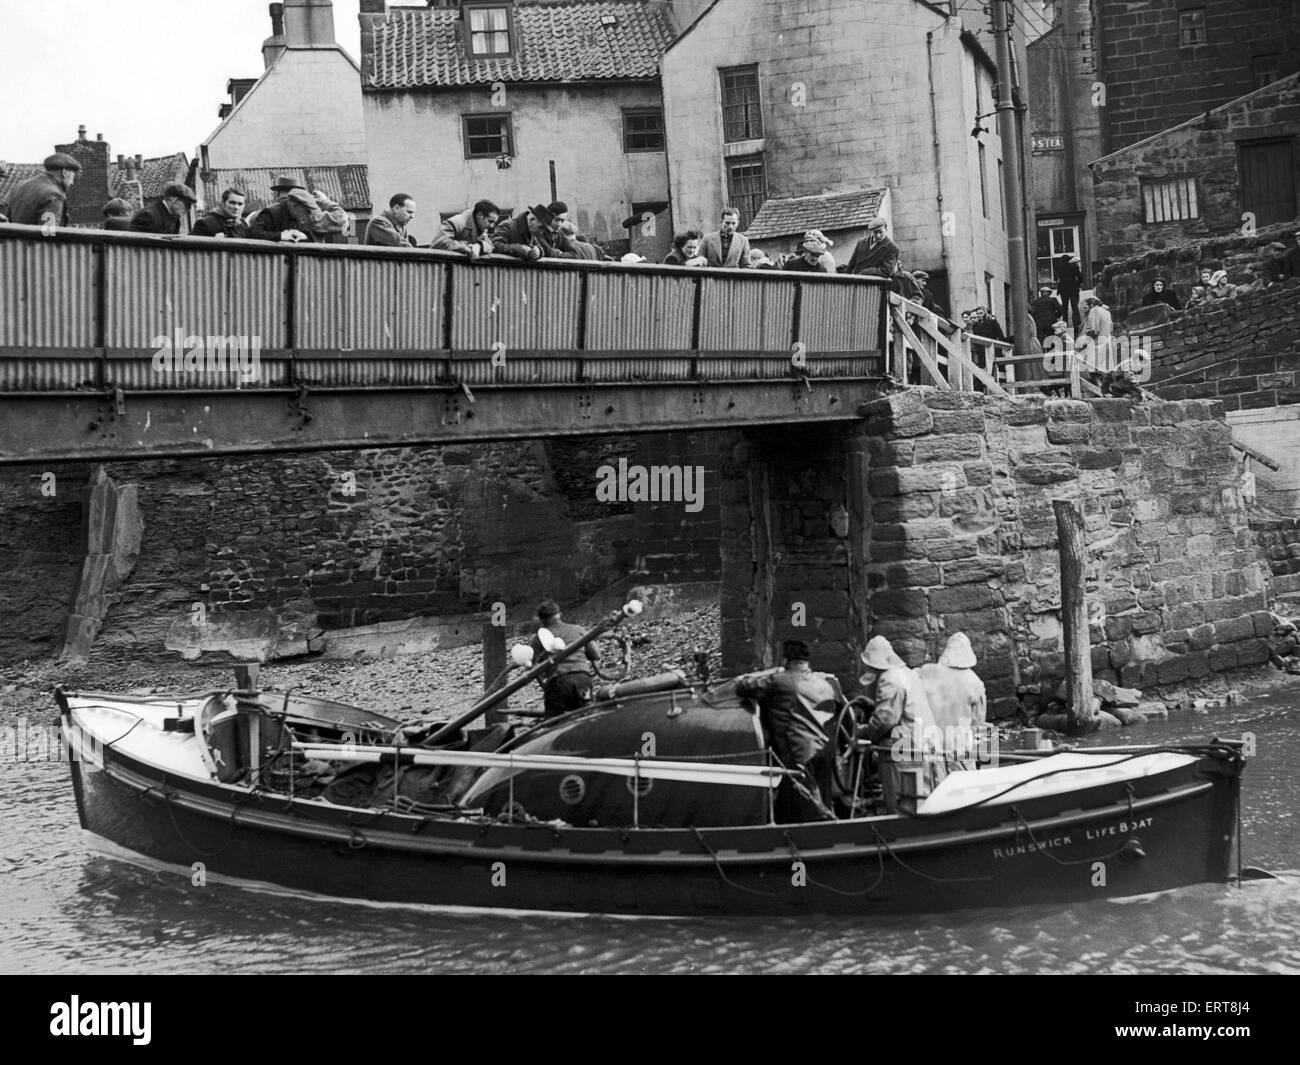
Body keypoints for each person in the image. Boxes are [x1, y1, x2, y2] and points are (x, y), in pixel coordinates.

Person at [735, 639, 842, 821]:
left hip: (796, 752)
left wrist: (744, 678)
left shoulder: (780, 681)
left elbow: (745, 687)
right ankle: (824, 831)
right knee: (822, 798)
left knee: (797, 805)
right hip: (825, 750)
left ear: (785, 660)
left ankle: (799, 839)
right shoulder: (826, 684)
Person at [857, 635, 944, 814]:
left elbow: (885, 719)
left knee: (900, 801)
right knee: (921, 796)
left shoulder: (888, 678)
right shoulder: (909, 674)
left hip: (901, 748)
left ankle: (899, 830)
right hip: (922, 741)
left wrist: (862, 733)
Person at [917, 634, 986, 773]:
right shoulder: (974, 682)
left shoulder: (927, 671)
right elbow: (978, 722)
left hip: (930, 743)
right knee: (961, 787)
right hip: (959, 745)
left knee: (935, 786)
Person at [526, 601, 600, 719]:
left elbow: (531, 666)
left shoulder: (539, 638)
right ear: (559, 614)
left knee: (554, 725)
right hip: (583, 680)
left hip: (558, 683)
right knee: (587, 720)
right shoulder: (577, 629)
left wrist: (545, 687)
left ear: (541, 620)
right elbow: (595, 654)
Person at [5, 153, 81, 227]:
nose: (72, 182)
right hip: (34, 240)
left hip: (15, 239)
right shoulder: (54, 195)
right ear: (65, 172)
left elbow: (8, 223)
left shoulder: (19, 187)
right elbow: (48, 235)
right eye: (72, 177)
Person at [492, 201, 578, 261]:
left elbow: (540, 249)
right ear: (532, 219)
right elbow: (494, 245)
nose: (542, 232)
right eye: (541, 227)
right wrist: (520, 249)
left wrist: (538, 251)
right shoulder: (508, 226)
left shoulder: (532, 231)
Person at [433, 199, 499, 258]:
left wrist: (479, 246)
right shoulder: (457, 223)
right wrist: (467, 247)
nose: (492, 226)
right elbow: (438, 243)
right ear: (480, 215)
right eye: (490, 221)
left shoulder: (480, 226)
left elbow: (491, 246)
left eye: (494, 223)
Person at [129, 182, 196, 234]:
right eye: (187, 204)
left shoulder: (175, 219)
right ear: (173, 199)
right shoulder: (147, 216)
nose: (189, 209)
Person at [1079, 295, 1115, 373]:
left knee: (1093, 369)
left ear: (1091, 304)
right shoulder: (1107, 312)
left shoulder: (1094, 311)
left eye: (1087, 305)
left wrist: (1086, 340)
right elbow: (1111, 328)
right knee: (1104, 370)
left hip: (1097, 344)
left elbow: (1094, 330)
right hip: (1106, 342)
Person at [1055, 253, 1084, 329]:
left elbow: (1057, 279)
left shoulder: (1059, 267)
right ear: (1069, 260)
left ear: (1062, 260)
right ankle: (1076, 326)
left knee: (1065, 308)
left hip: (1063, 289)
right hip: (1073, 289)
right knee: (1075, 307)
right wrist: (1077, 284)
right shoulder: (1074, 266)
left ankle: (1065, 326)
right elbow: (1081, 277)